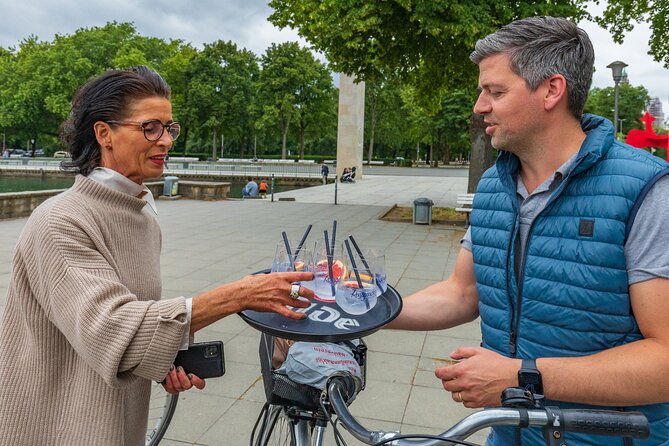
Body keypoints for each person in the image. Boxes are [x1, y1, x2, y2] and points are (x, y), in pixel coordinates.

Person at [387, 16, 669, 445]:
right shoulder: (495, 186)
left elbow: (664, 359)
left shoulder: (647, 190)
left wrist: (523, 376)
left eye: (496, 92)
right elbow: (462, 293)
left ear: (552, 90)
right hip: (509, 434)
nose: (480, 106)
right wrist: (360, 309)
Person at [0, 66, 315, 445]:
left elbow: (124, 323)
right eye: (150, 127)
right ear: (104, 134)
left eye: (170, 128)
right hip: (54, 427)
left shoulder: (141, 214)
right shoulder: (60, 221)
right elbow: (114, 329)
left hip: (115, 422)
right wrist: (242, 294)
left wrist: (163, 355)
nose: (166, 140)